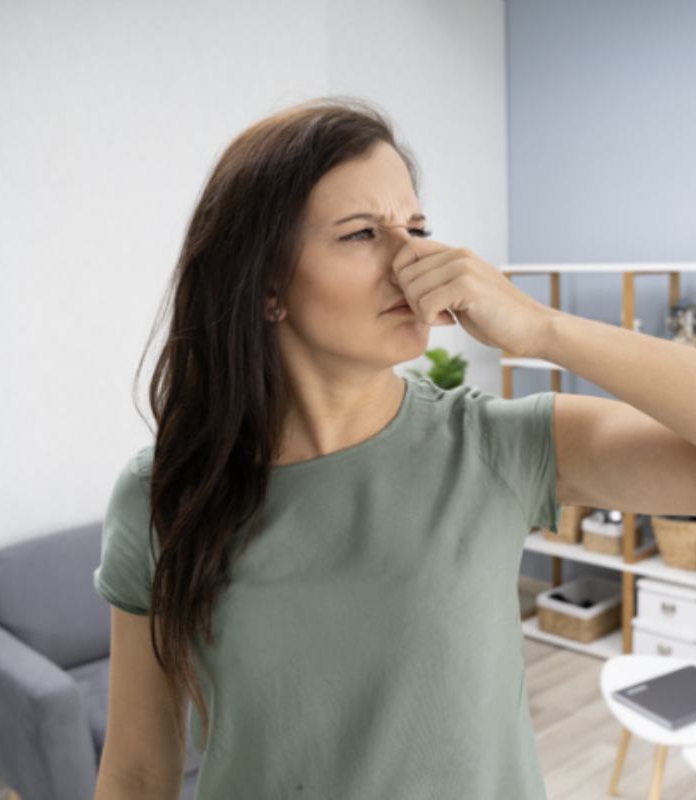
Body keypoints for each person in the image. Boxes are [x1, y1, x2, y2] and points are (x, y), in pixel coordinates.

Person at [92, 96, 560, 800]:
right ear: (267, 287)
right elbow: (135, 769)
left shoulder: (493, 444)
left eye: (418, 228)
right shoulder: (163, 493)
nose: (414, 262)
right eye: (362, 234)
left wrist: (544, 332)